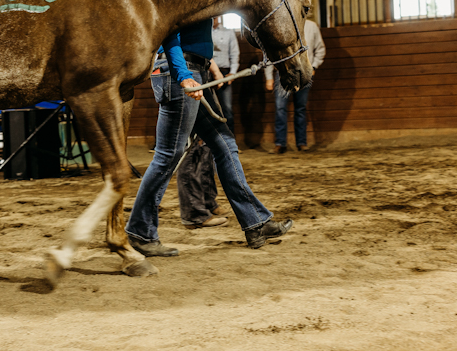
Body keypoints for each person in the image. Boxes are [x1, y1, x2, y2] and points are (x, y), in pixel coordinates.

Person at [125, 19, 293, 257]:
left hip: (197, 69)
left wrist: (208, 64)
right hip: (181, 71)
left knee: (225, 146)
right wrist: (183, 74)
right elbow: (168, 30)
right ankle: (140, 232)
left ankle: (256, 224)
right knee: (167, 155)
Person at [265, 18, 326, 154]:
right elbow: (270, 53)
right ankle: (280, 143)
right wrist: (269, 77)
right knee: (280, 108)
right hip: (283, 72)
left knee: (300, 108)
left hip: (303, 72)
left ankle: (301, 142)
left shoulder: (311, 26)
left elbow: (320, 49)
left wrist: (314, 66)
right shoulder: (280, 24)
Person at [211, 16, 240, 132]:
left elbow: (234, 53)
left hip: (224, 73)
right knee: (208, 108)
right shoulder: (204, 33)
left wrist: (232, 72)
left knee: (227, 108)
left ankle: (230, 141)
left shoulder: (228, 32)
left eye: (215, 16)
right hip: (207, 73)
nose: (214, 19)